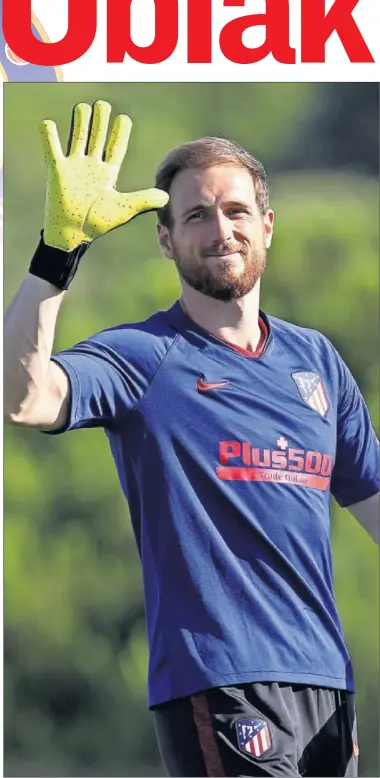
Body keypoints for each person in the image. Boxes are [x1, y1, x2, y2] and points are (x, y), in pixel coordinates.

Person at [4, 100, 379, 778]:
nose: (220, 230)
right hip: (218, 681)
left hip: (326, 684)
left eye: (236, 211)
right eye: (196, 215)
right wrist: (57, 252)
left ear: (266, 226)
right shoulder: (147, 357)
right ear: (167, 239)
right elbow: (24, 398)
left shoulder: (317, 361)